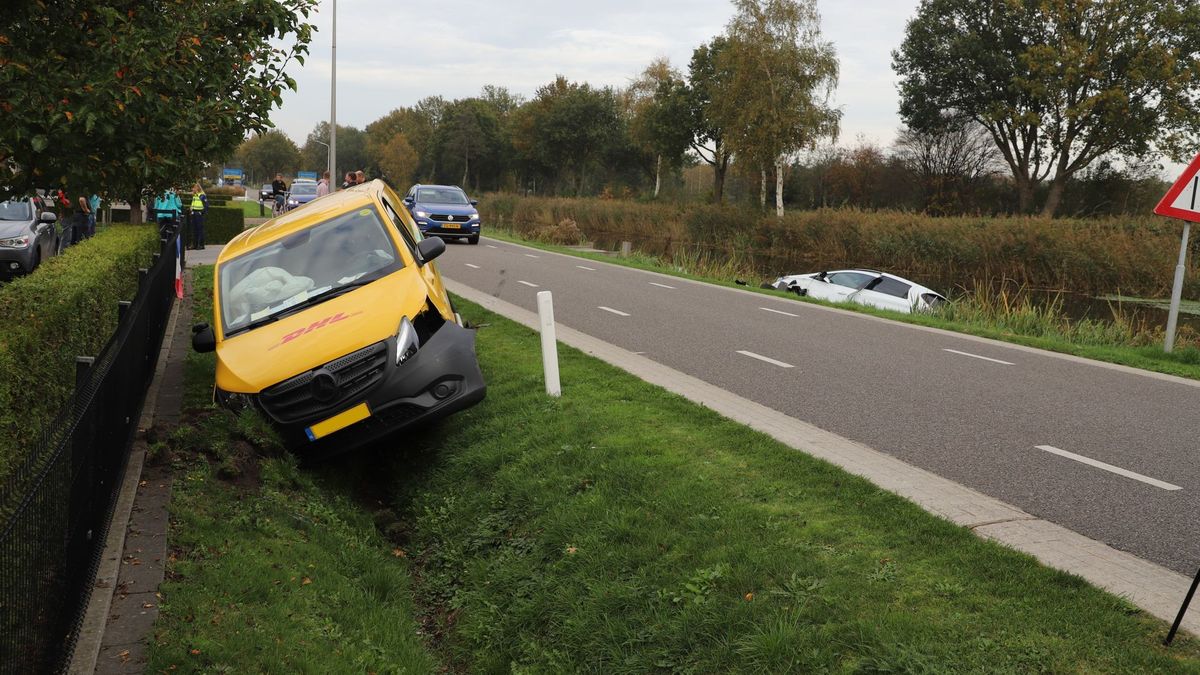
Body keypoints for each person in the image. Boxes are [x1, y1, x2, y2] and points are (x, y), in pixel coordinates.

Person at [189, 183, 208, 250]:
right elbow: (193, 204)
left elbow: (206, 206)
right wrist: (191, 209)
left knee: (200, 230)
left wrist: (201, 212)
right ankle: (194, 244)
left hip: (199, 214)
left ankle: (200, 245)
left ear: (197, 188)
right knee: (194, 229)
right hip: (194, 213)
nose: (192, 189)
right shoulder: (195, 196)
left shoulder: (202, 196)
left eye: (193, 188)